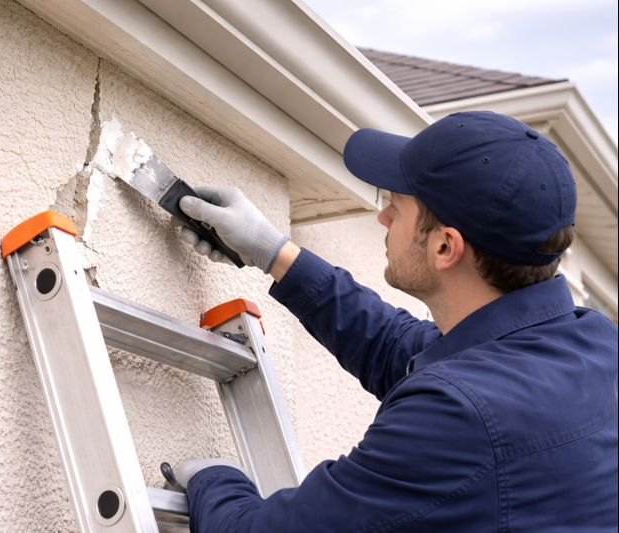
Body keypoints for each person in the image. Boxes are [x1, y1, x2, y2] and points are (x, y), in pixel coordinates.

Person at [169, 111, 618, 532]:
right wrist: (274, 252)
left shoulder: (459, 418)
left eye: (397, 206)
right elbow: (399, 347)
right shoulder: (592, 344)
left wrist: (214, 479)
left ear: (445, 247)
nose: (382, 215)